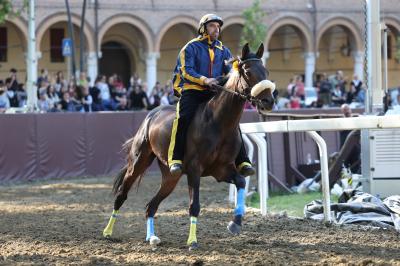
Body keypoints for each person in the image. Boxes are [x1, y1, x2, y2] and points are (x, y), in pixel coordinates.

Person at [168, 13, 255, 177]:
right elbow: (186, 70)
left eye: (218, 26)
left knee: (231, 120)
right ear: (203, 28)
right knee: (183, 118)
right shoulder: (190, 47)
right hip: (192, 90)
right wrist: (205, 80)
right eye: (212, 26)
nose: (216, 29)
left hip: (214, 92)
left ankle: (242, 161)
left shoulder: (224, 50)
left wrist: (236, 69)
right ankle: (176, 159)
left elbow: (231, 73)